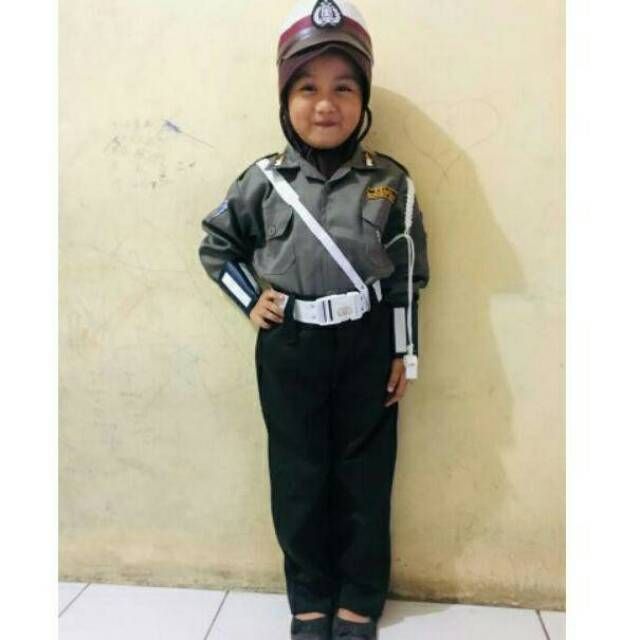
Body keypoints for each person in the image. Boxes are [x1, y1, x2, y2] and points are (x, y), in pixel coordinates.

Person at [198, 1, 429, 638]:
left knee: (365, 475)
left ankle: (358, 598)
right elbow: (217, 246)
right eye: (307, 88)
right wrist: (250, 299)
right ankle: (308, 597)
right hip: (290, 344)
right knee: (298, 474)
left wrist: (404, 352)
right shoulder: (263, 182)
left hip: (367, 342)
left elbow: (408, 272)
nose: (325, 105)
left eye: (343, 88)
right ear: (285, 97)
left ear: (363, 99)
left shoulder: (391, 183)